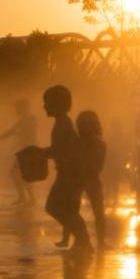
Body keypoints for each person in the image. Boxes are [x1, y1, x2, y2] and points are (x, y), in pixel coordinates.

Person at [40, 85, 92, 253]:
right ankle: (82, 242)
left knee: (55, 207)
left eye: (47, 102)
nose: (44, 106)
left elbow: (59, 150)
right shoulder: (62, 122)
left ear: (58, 104)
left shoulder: (62, 124)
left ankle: (83, 240)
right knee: (69, 209)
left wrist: (40, 153)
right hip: (71, 173)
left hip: (70, 175)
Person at [56, 111, 107, 250]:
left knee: (98, 212)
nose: (83, 127)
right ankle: (66, 239)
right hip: (78, 179)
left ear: (94, 126)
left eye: (86, 124)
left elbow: (98, 167)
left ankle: (101, 242)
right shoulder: (76, 143)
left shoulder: (100, 144)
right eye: (81, 124)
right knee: (71, 210)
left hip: (91, 179)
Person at [0, 98, 37, 206]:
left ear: (23, 108)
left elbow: (9, 133)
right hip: (28, 151)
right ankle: (28, 198)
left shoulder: (26, 120)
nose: (16, 110)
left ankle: (26, 198)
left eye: (17, 108)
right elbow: (10, 132)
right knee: (22, 175)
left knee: (17, 174)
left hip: (27, 151)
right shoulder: (29, 120)